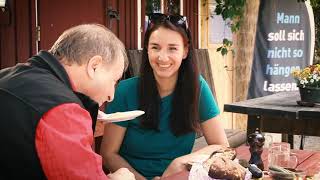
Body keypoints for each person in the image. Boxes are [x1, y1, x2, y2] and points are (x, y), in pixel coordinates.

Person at [100, 13, 229, 180]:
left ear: (185, 51)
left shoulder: (197, 87)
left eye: (172, 48)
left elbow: (221, 145)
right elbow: (108, 154)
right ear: (147, 49)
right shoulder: (125, 90)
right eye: (155, 47)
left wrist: (180, 162)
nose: (163, 57)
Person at [0, 24, 135, 180]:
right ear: (94, 66)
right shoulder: (63, 109)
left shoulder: (7, 75)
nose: (111, 95)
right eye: (114, 80)